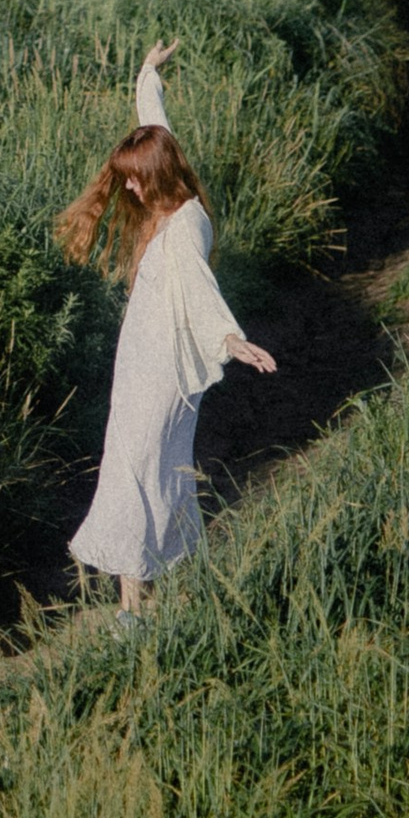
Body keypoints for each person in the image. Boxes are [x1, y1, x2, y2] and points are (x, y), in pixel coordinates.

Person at [55, 37, 276, 612]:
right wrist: (148, 74)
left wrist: (229, 339)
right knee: (147, 472)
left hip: (161, 376)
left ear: (158, 174)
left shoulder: (183, 232)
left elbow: (202, 293)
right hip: (141, 367)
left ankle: (133, 612)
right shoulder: (172, 192)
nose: (129, 188)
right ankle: (169, 589)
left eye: (135, 179)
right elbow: (155, 125)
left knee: (139, 474)